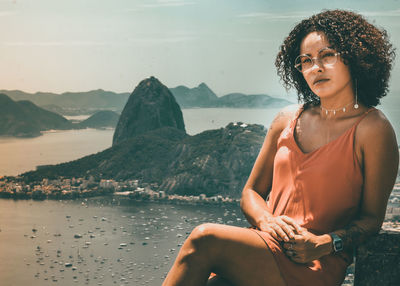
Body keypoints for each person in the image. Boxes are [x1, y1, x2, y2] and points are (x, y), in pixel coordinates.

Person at [162, 9, 399, 286]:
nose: (316, 67)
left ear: (354, 57)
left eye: (327, 55)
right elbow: (250, 192)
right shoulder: (287, 119)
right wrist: (265, 220)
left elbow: (371, 220)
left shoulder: (373, 129)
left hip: (313, 262)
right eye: (306, 61)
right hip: (261, 245)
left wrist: (324, 244)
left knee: (204, 238)